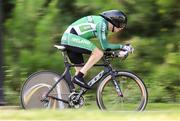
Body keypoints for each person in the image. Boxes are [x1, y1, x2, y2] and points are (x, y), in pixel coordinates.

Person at [61, 10, 133, 89]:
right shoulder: (102, 24)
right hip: (71, 38)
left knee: (81, 71)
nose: (122, 28)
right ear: (115, 22)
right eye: (121, 25)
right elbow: (105, 46)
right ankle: (78, 77)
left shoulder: (103, 25)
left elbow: (107, 48)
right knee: (98, 53)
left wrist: (117, 53)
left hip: (70, 38)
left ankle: (69, 95)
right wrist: (123, 47)